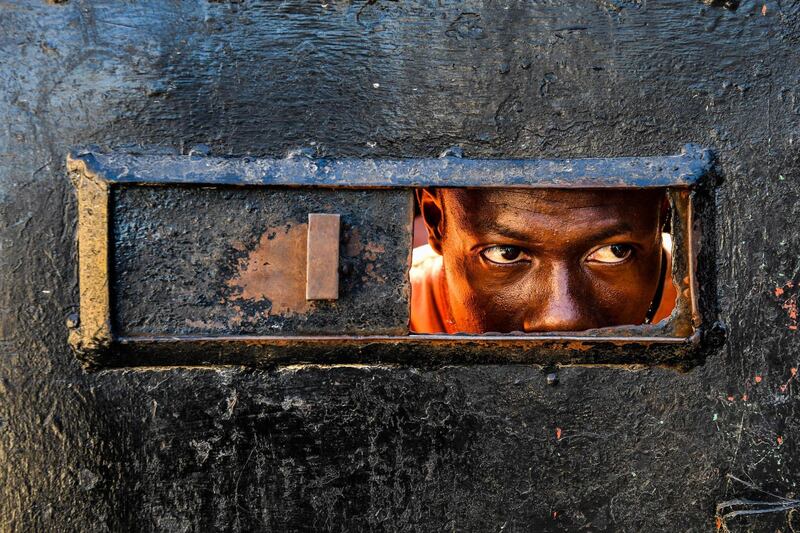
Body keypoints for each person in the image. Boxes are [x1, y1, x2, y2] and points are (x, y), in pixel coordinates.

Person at [409, 188, 677, 334]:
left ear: (661, 217)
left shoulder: (706, 300)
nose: (562, 319)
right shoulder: (399, 314)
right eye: (506, 253)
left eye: (615, 251)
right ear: (436, 221)